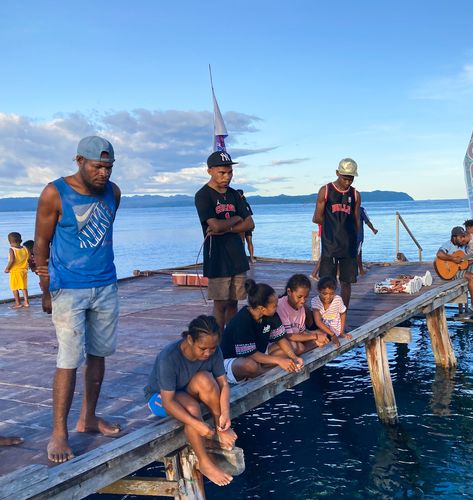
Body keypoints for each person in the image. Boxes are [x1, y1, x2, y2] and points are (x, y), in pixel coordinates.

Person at [35, 136, 122, 463]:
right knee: (68, 358)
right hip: (68, 288)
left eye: (108, 167)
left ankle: (88, 417)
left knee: (99, 354)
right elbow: (41, 244)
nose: (103, 173)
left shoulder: (114, 193)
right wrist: (46, 290)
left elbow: (104, 237)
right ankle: (59, 432)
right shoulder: (54, 193)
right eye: (97, 166)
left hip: (106, 285)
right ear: (79, 161)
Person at [143, 315, 236, 487]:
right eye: (203, 348)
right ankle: (204, 462)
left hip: (185, 389)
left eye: (212, 349)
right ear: (190, 339)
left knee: (207, 379)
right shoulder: (169, 357)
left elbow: (223, 383)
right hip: (160, 398)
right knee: (192, 408)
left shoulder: (214, 350)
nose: (208, 353)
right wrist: (198, 425)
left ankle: (220, 428)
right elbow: (169, 402)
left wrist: (225, 415)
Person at [194, 151, 255, 331]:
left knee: (234, 303)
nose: (226, 177)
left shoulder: (235, 194)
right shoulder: (203, 195)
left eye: (229, 172)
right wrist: (236, 219)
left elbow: (250, 223)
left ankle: (232, 340)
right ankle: (219, 342)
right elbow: (214, 225)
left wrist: (227, 226)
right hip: (217, 258)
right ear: (210, 171)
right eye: (222, 172)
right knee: (220, 304)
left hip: (237, 255)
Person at [221, 279, 304, 383]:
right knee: (250, 366)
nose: (277, 308)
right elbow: (251, 354)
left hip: (259, 354)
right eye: (274, 306)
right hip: (235, 360)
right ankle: (265, 374)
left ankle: (260, 372)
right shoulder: (242, 320)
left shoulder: (271, 315)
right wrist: (279, 361)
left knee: (294, 347)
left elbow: (280, 339)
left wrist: (294, 357)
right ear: (262, 309)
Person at [312, 158, 361, 307]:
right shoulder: (326, 191)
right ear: (337, 173)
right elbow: (317, 217)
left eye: (351, 178)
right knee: (327, 283)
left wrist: (355, 241)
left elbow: (356, 220)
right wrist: (332, 228)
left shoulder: (356, 194)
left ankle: (342, 313)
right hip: (330, 245)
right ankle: (325, 313)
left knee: (347, 283)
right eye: (345, 178)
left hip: (349, 246)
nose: (348, 182)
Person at [435, 226, 473, 314]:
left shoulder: (462, 246)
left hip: (460, 269)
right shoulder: (448, 244)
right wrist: (453, 259)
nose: (462, 239)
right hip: (450, 272)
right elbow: (439, 254)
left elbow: (463, 263)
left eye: (463, 237)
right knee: (471, 276)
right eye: (460, 237)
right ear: (454, 237)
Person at [277, 274, 329, 354]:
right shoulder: (280, 306)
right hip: (281, 341)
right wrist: (315, 336)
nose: (303, 301)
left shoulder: (301, 307)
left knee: (323, 335)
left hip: (294, 338)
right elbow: (289, 336)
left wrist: (318, 336)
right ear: (289, 292)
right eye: (299, 297)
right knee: (298, 347)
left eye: (306, 297)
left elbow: (301, 332)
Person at [311, 276, 351, 347]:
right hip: (323, 331)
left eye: (331, 294)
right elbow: (318, 322)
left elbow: (342, 314)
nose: (328, 297)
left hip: (336, 331)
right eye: (324, 293)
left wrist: (341, 332)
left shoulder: (338, 300)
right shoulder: (315, 301)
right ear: (319, 291)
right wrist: (332, 335)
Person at [5, 232, 30, 308]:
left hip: (15, 271)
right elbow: (28, 257)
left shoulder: (12, 249)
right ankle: (26, 302)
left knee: (14, 288)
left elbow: (12, 260)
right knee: (24, 287)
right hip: (24, 270)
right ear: (21, 240)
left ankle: (18, 303)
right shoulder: (25, 248)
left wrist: (7, 268)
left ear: (9, 242)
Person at [235, 189, 256, 263]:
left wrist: (251, 225)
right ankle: (245, 258)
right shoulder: (237, 204)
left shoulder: (244, 204)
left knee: (247, 241)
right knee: (243, 241)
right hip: (241, 225)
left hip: (245, 225)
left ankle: (250, 257)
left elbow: (249, 215)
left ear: (241, 195)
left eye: (238, 195)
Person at [357, 206, 378, 276]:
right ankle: (361, 270)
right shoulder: (361, 210)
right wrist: (373, 229)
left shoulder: (347, 208)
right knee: (358, 253)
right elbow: (367, 221)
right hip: (358, 236)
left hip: (347, 236)